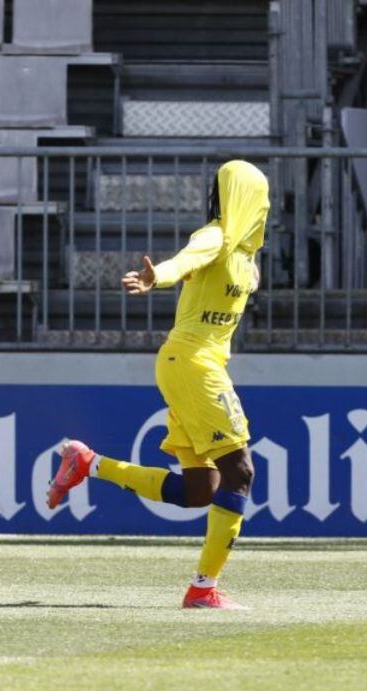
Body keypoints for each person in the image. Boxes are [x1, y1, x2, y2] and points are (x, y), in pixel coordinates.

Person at [48, 160, 270, 610]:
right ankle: (203, 589)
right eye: (259, 196)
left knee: (200, 490)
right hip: (191, 362)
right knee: (240, 472)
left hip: (195, 364)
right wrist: (157, 277)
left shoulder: (246, 257)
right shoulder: (216, 236)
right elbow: (187, 259)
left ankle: (87, 463)